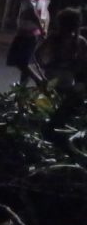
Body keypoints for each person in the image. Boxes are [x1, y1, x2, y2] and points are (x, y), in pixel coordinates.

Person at [37, 8, 87, 144]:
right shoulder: (80, 41)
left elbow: (37, 55)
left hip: (51, 78)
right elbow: (83, 64)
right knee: (64, 111)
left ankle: (45, 134)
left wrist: (43, 69)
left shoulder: (54, 38)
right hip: (67, 80)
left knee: (46, 108)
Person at [6, 0, 49, 86]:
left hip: (26, 32)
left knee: (18, 60)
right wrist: (43, 30)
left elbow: (31, 13)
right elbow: (44, 12)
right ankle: (23, 88)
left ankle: (40, 81)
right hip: (35, 32)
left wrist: (41, 28)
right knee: (26, 60)